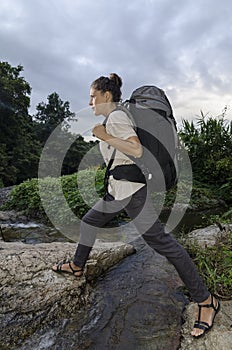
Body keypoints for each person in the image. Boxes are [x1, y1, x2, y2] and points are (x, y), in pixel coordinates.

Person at [52, 73, 220, 338]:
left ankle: (206, 301)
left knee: (163, 243)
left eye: (93, 96)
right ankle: (77, 265)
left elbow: (137, 150)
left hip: (130, 192)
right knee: (89, 221)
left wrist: (104, 136)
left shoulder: (117, 117)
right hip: (117, 191)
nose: (90, 101)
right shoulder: (114, 119)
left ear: (106, 96)